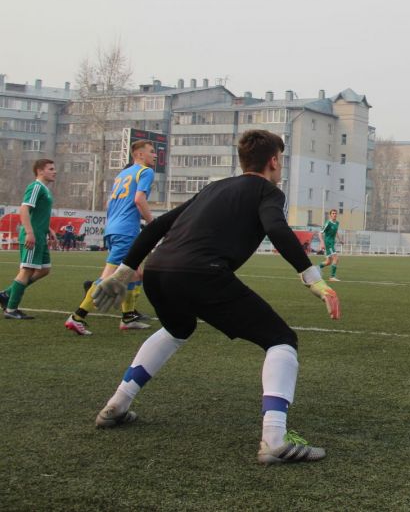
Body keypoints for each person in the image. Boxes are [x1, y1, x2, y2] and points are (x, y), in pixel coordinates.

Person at [89, 129, 340, 464]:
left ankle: (117, 405)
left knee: (178, 329)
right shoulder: (268, 191)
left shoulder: (214, 187)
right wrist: (313, 280)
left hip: (159, 271)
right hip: (201, 273)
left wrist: (123, 272)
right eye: (281, 161)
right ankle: (275, 440)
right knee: (281, 340)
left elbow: (156, 226)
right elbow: (277, 229)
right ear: (274, 161)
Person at [65, 140, 157, 335]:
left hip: (113, 228)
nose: (155, 155)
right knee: (111, 277)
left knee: (135, 274)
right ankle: (77, 317)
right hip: (125, 231)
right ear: (139, 155)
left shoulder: (122, 174)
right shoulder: (145, 172)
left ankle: (128, 317)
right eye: (151, 152)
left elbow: (111, 205)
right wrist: (153, 223)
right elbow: (139, 199)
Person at [0, 159, 58, 319]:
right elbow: (24, 209)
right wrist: (29, 232)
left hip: (40, 235)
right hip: (32, 235)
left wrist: (49, 229)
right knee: (27, 270)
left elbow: (38, 214)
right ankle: (11, 310)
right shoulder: (36, 187)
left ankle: (7, 294)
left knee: (44, 269)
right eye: (51, 169)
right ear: (40, 171)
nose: (55, 171)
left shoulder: (45, 190)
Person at [318, 209, 341, 281]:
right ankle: (332, 277)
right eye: (333, 213)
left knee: (328, 262)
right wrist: (322, 243)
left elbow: (336, 231)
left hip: (332, 243)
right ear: (330, 215)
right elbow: (320, 233)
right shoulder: (328, 223)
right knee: (336, 259)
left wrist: (340, 240)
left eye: (335, 213)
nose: (334, 214)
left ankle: (315, 270)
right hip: (328, 243)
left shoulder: (337, 223)